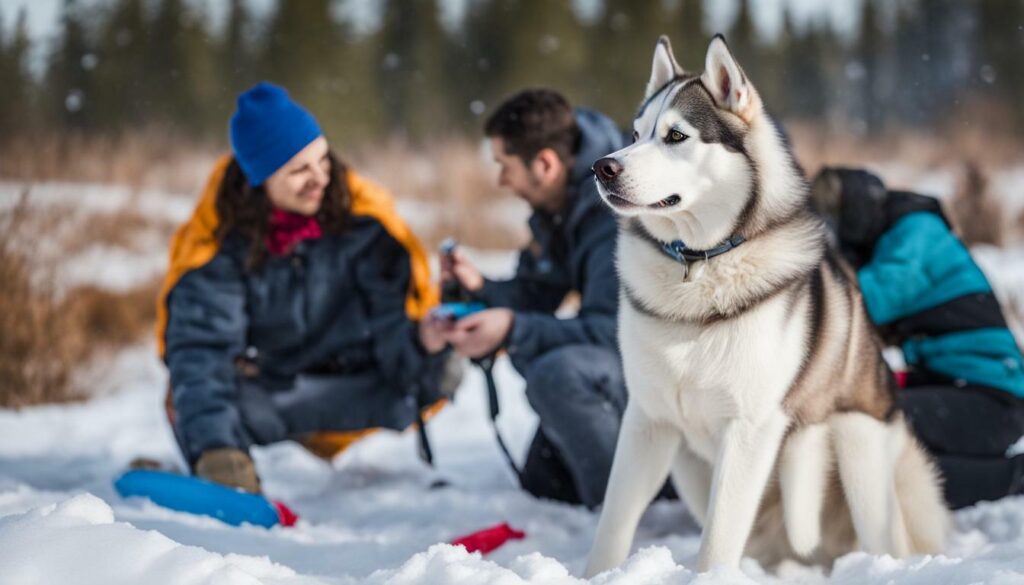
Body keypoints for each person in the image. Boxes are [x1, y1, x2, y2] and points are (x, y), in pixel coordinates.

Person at [157, 82, 453, 493]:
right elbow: (202, 350)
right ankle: (228, 469)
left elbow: (395, 332)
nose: (320, 180)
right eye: (298, 170)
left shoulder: (366, 228)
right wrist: (216, 448)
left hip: (364, 393)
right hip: (280, 399)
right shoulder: (219, 246)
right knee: (185, 394)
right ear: (259, 179)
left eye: (323, 161)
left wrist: (426, 341)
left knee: (439, 369)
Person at [440, 88, 626, 507]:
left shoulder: (618, 214)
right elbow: (537, 292)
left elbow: (613, 334)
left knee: (559, 375)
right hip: (626, 374)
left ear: (545, 164)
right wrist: (479, 288)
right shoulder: (563, 206)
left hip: (671, 389)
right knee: (545, 483)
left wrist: (512, 328)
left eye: (505, 166)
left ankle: (625, 509)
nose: (501, 181)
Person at [811, 167, 1024, 509]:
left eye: (832, 223)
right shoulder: (895, 233)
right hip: (950, 382)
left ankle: (1012, 478)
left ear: (852, 216)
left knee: (877, 427)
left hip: (993, 399)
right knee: (857, 412)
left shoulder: (915, 233)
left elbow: (863, 306)